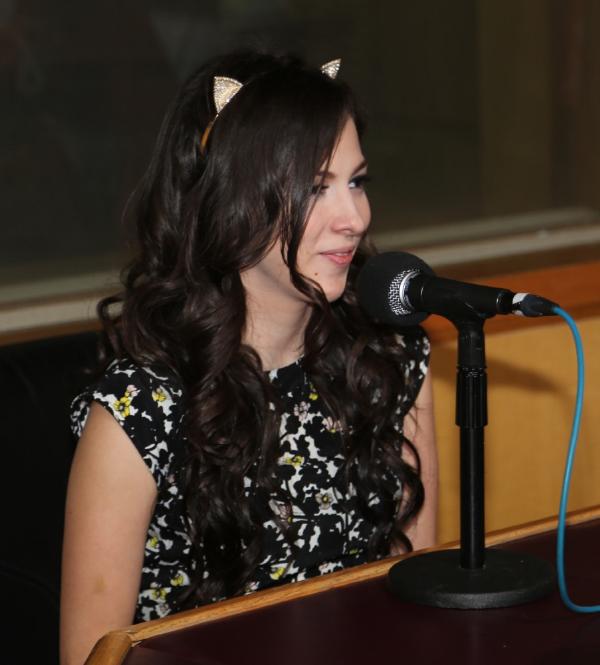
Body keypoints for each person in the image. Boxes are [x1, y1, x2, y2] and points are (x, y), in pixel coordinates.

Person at [60, 50, 438, 665]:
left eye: (357, 182)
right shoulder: (139, 411)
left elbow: (418, 599)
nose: (355, 217)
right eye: (315, 188)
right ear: (230, 204)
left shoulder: (389, 359)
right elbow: (90, 657)